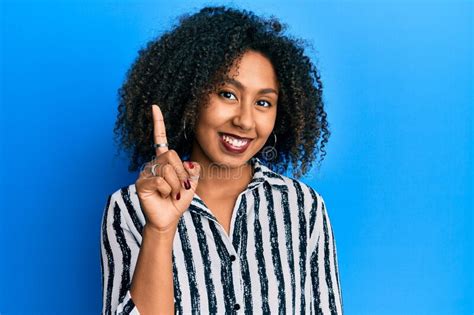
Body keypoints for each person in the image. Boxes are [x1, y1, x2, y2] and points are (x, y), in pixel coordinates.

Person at [100, 5, 343, 315]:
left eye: (263, 102)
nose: (245, 120)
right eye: (227, 94)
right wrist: (160, 231)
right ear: (191, 95)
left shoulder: (303, 207)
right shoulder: (129, 208)